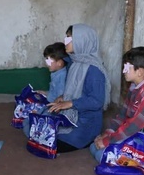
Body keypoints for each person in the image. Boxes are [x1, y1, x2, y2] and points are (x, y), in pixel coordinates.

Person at [89, 46, 144, 162]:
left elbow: (133, 127)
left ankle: (141, 162)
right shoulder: (134, 88)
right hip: (133, 136)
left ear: (140, 72)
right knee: (94, 147)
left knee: (101, 154)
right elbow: (122, 116)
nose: (123, 71)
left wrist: (107, 141)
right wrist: (108, 133)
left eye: (127, 67)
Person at [47, 24, 111, 152]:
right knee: (39, 129)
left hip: (85, 124)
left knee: (47, 141)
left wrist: (70, 103)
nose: (66, 41)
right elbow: (75, 90)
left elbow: (97, 101)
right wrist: (63, 97)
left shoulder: (94, 70)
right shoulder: (75, 62)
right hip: (72, 116)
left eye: (70, 38)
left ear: (83, 41)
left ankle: (86, 139)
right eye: (66, 37)